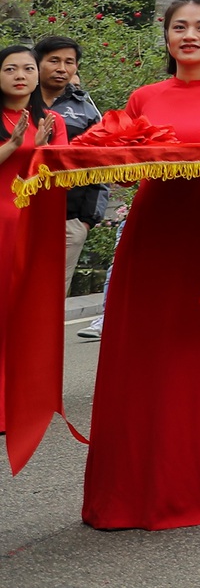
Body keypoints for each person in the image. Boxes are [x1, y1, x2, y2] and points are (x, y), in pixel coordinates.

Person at [83, 0, 200, 530]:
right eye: (179, 27)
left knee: (193, 364)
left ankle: (186, 488)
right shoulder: (143, 95)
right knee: (135, 362)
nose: (190, 35)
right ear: (166, 37)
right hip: (150, 234)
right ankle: (124, 492)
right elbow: (117, 157)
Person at [0, 45, 61, 436]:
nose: (20, 75)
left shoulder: (53, 119)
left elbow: (62, 170)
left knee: (28, 315)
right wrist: (12, 145)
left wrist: (41, 147)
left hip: (36, 225)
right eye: (9, 69)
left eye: (27, 68)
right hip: (2, 223)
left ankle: (25, 401)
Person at [35, 36, 101, 303]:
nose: (62, 68)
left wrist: (87, 219)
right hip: (14, 214)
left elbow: (99, 165)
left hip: (68, 219)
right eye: (54, 60)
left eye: (69, 62)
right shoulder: (15, 99)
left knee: (50, 302)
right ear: (36, 63)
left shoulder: (86, 109)